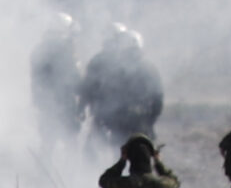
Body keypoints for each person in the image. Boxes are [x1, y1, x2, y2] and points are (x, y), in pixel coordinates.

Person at [79, 24, 164, 147]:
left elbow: (104, 94)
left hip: (118, 123)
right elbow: (158, 100)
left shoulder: (116, 69)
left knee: (118, 155)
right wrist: (149, 121)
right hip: (139, 123)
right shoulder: (150, 68)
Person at [30, 12, 85, 151]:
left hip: (45, 104)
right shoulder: (66, 49)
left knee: (48, 141)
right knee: (70, 142)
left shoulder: (40, 48)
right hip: (65, 103)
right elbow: (75, 77)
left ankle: (43, 166)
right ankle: (70, 170)